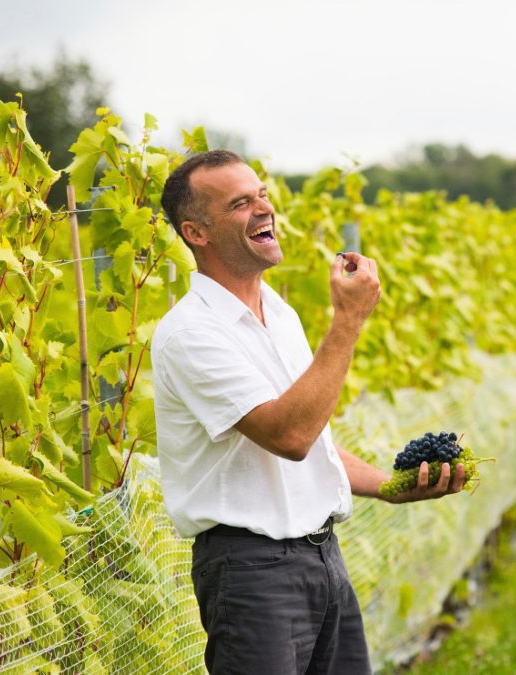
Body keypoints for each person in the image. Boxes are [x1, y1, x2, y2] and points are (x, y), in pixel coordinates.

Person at [151, 150, 466, 674]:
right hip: (251, 574)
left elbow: (315, 444)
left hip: (322, 559)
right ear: (196, 233)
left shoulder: (279, 312)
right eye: (239, 203)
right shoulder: (191, 333)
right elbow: (290, 434)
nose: (262, 209)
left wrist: (389, 486)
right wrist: (347, 321)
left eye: (263, 194)